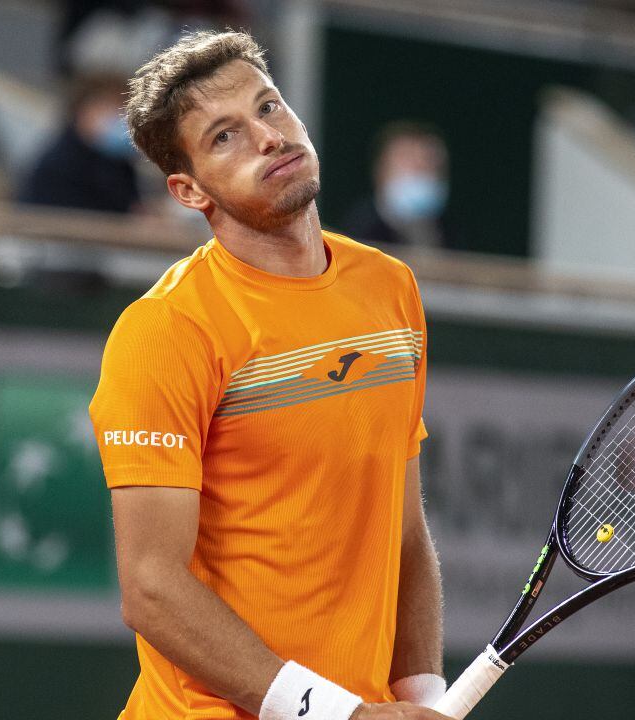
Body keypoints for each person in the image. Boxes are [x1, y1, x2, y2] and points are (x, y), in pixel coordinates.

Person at [88, 31, 448, 720]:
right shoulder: (166, 331)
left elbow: (401, 533)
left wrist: (422, 695)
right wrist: (334, 714)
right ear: (188, 190)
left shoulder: (389, 287)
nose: (268, 137)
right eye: (225, 136)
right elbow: (151, 586)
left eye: (271, 107)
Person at [17, 74, 141, 213]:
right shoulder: (59, 164)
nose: (122, 116)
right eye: (111, 106)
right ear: (82, 111)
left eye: (125, 107)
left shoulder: (116, 161)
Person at [342, 123, 458, 250]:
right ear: (381, 170)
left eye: (430, 165)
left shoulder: (450, 231)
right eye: (409, 161)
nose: (421, 173)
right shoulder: (359, 229)